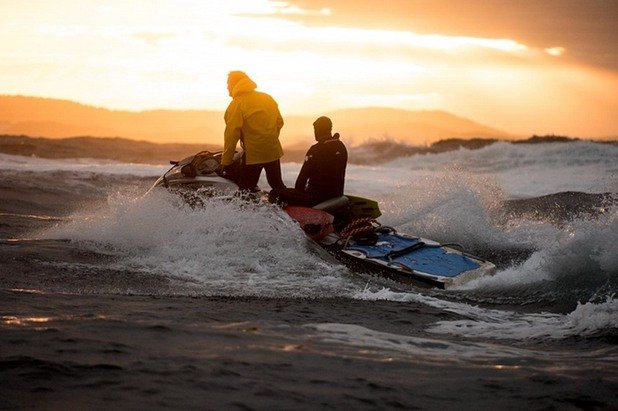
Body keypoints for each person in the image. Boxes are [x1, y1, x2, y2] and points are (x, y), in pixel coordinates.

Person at [220, 71, 286, 192]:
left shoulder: (237, 103)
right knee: (276, 184)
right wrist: (269, 138)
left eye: (228, 83)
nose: (227, 87)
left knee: (245, 191)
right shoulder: (267, 98)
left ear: (235, 84)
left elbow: (231, 135)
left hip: (254, 154)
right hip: (272, 149)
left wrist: (226, 161)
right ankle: (292, 207)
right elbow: (279, 122)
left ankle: (245, 211)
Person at [269, 116, 347, 207]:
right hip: (336, 194)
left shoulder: (316, 149)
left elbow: (300, 182)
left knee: (274, 193)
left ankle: (286, 219)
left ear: (318, 130)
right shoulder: (341, 147)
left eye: (315, 129)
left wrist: (299, 194)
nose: (315, 133)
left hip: (316, 198)